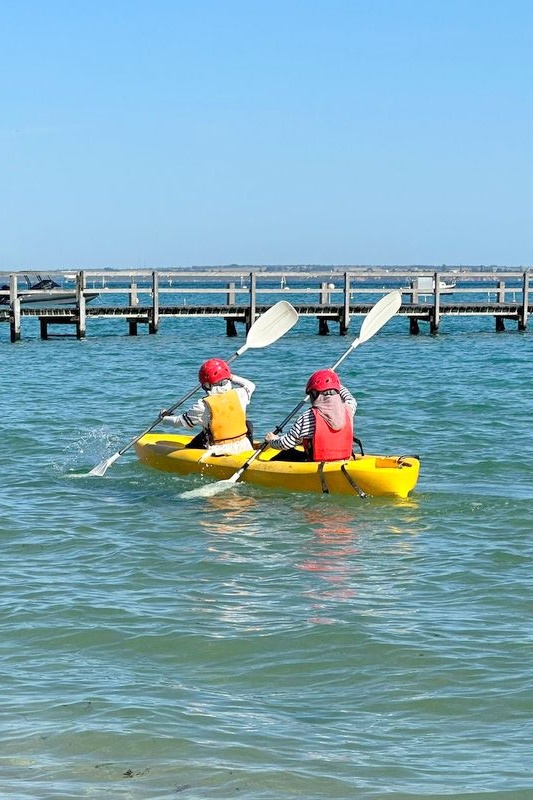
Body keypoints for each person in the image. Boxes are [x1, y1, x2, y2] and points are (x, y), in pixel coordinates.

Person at [159, 358, 255, 455]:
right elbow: (250, 385)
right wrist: (231, 376)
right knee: (247, 424)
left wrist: (164, 418)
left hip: (219, 451)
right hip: (245, 447)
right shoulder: (241, 394)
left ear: (207, 385)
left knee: (205, 433)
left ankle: (187, 452)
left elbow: (179, 422)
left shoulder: (203, 405)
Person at [264, 369, 356, 462]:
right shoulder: (349, 409)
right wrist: (332, 380)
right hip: (343, 459)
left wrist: (272, 440)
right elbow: (350, 398)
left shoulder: (308, 417)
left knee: (287, 453)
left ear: (314, 394)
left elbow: (286, 443)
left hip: (315, 463)